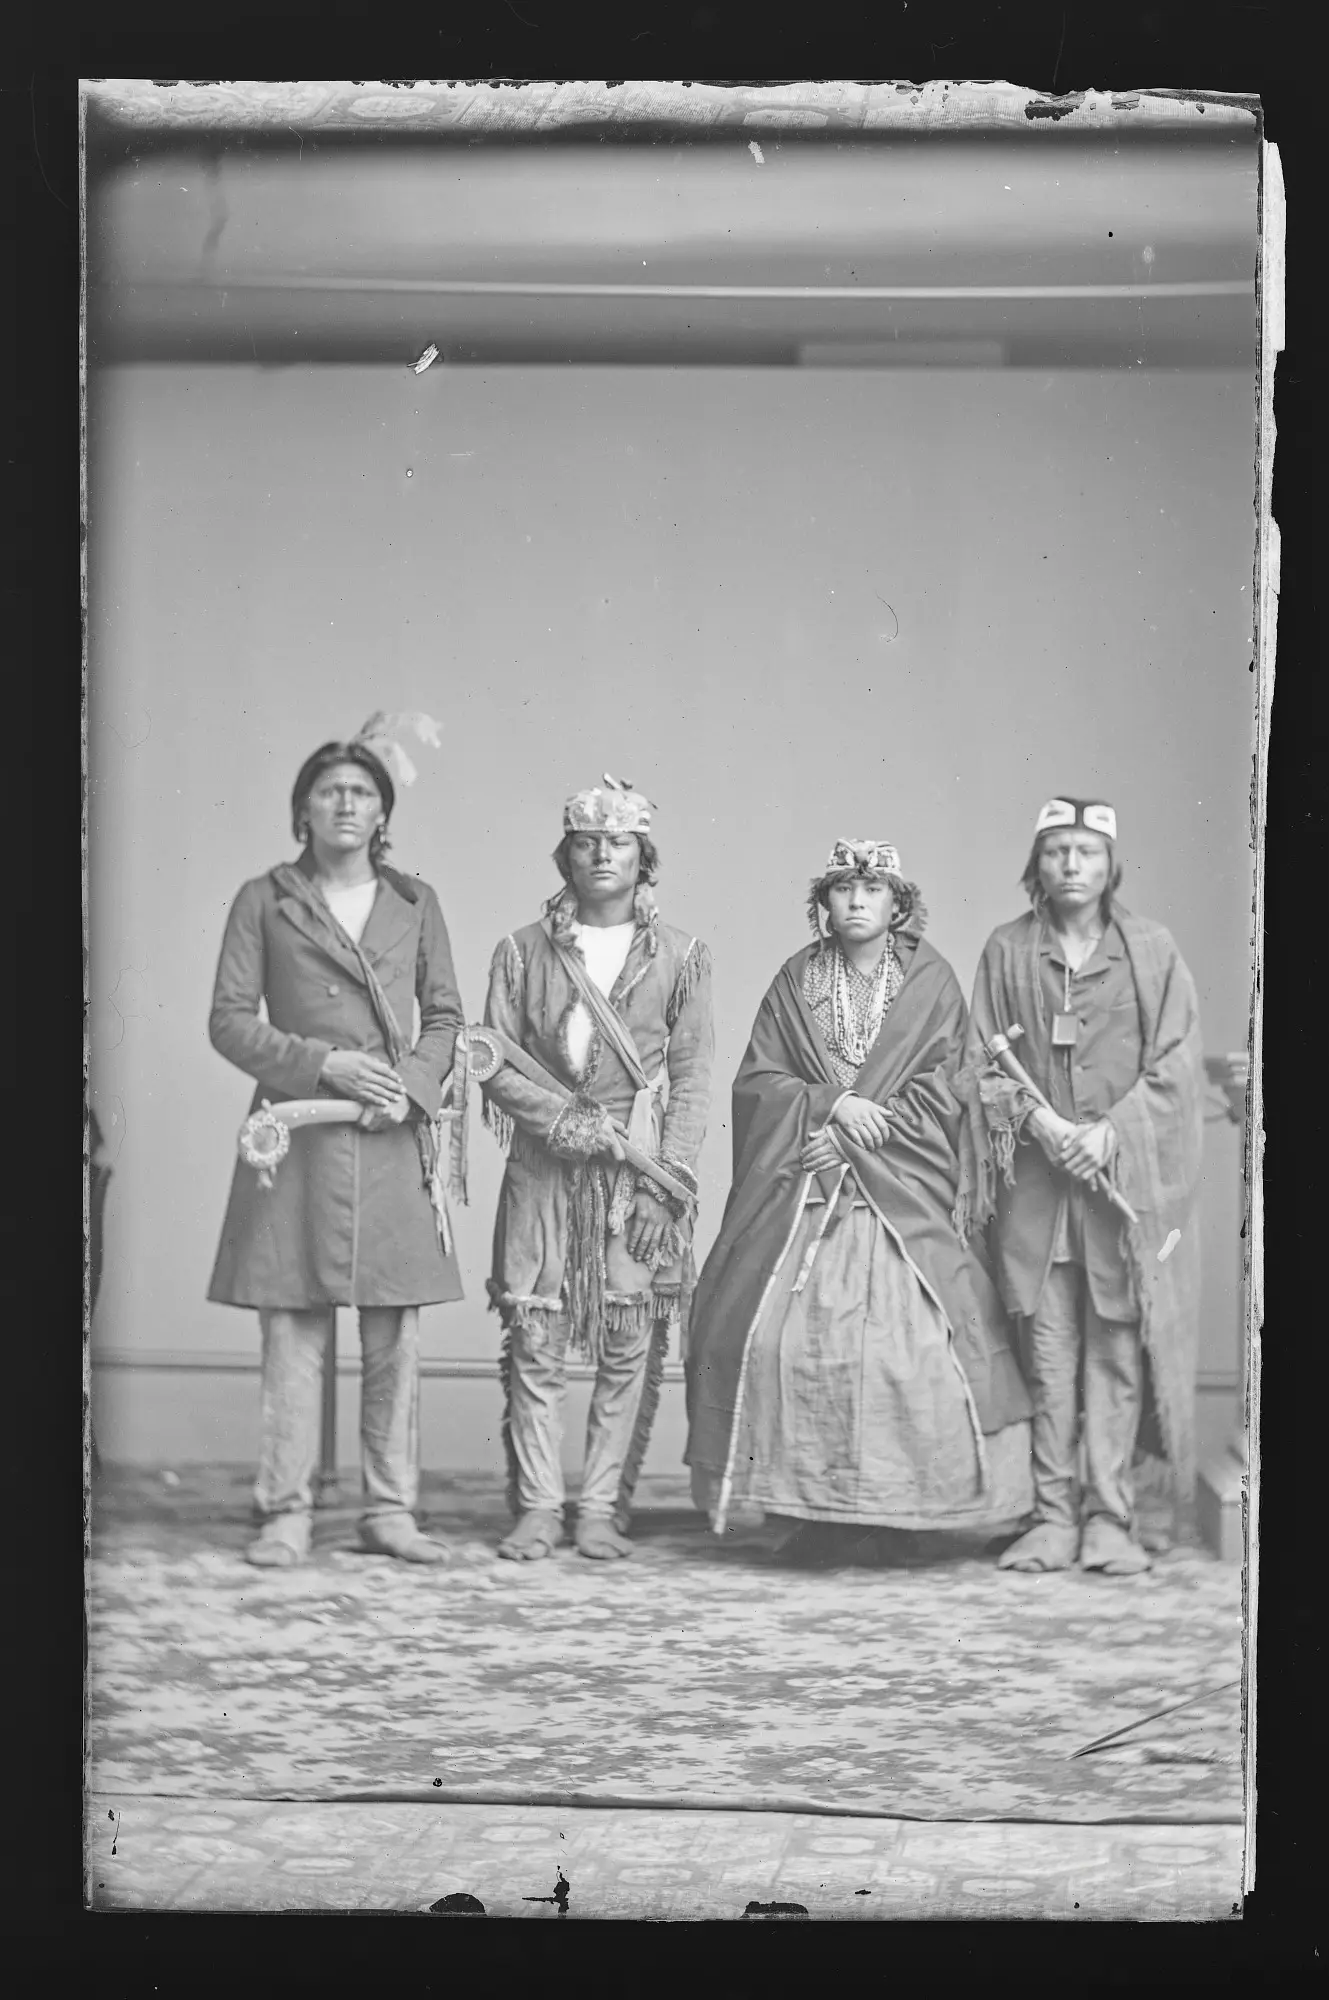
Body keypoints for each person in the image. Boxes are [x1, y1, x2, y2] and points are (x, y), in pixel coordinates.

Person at [685, 839, 1033, 1562]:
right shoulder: (796, 979)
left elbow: (949, 1084)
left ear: (898, 905)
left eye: (872, 890)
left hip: (904, 1185)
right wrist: (830, 1105)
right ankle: (818, 1510)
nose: (856, 901)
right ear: (824, 902)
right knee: (782, 1341)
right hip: (808, 1190)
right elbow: (759, 1081)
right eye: (842, 889)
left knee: (911, 1349)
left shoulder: (930, 980)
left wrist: (858, 1140)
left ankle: (901, 1513)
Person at [208, 715, 466, 1568]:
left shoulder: (415, 903)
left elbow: (445, 1017)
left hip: (389, 1136)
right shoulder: (264, 899)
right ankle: (283, 1510)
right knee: (291, 1330)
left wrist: (409, 1089)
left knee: (394, 1334)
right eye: (329, 792)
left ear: (382, 812)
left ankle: (390, 1510)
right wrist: (326, 1065)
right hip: (298, 1136)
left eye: (361, 792)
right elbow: (229, 1021)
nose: (346, 804)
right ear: (304, 810)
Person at [956, 797, 1205, 1575]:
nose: (1070, 865)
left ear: (1110, 865)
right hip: (1036, 1197)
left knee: (1117, 1355)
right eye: (1056, 850)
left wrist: (1110, 1134)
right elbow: (978, 1060)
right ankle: (1050, 1516)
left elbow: (1176, 1063)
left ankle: (1109, 1517)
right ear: (1035, 863)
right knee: (1046, 1354)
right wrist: (1037, 1123)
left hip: (1116, 1198)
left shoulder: (1149, 951)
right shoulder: (1006, 951)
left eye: (1086, 852)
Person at [478, 775, 713, 1562]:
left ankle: (601, 1508)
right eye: (586, 842)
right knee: (536, 1338)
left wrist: (664, 1186)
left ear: (644, 857)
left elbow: (692, 1080)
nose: (602, 854)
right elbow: (491, 1060)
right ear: (565, 856)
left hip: (636, 1176)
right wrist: (561, 1121)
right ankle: (539, 1506)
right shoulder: (520, 951)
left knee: (626, 1342)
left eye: (619, 843)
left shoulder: (681, 956)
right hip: (544, 1169)